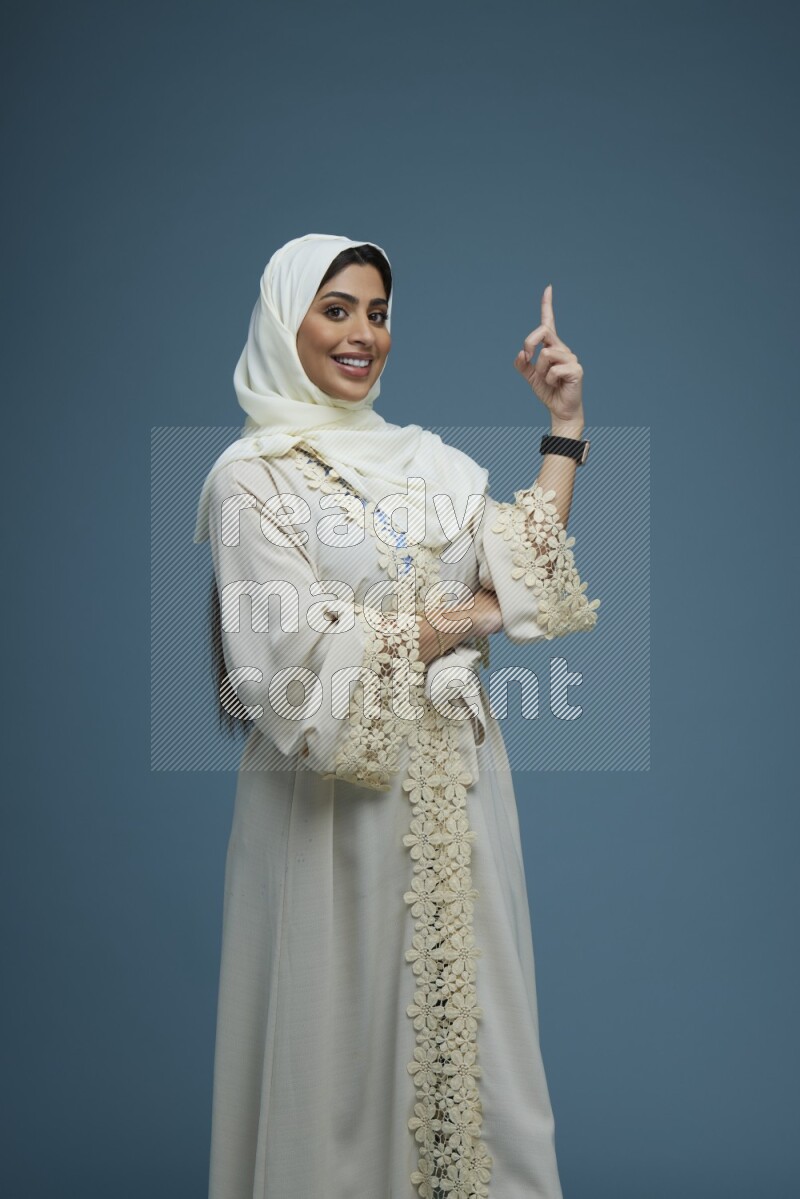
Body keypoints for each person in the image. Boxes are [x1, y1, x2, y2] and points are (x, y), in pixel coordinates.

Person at [193, 233, 600, 1199]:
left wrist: (565, 425)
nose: (362, 334)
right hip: (330, 814)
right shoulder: (254, 479)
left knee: (480, 1056)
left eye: (377, 314)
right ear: (284, 319)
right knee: (338, 1055)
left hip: (458, 803)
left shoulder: (434, 465)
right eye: (336, 308)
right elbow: (289, 659)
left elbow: (522, 561)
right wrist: (465, 619)